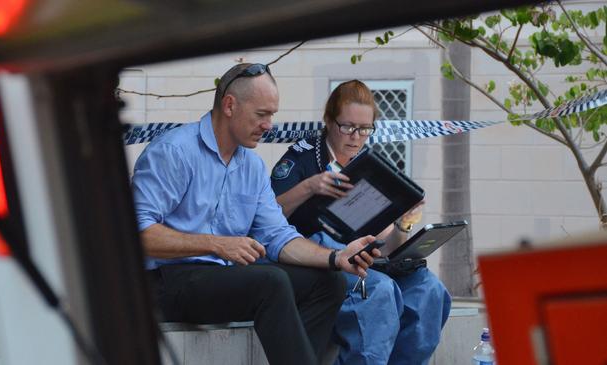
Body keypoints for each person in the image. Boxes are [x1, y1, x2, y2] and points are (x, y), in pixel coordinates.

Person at [131, 64, 380, 365]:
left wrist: (336, 259)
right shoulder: (173, 151)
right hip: (164, 282)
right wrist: (216, 244)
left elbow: (279, 236)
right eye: (262, 114)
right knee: (270, 281)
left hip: (219, 279)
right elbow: (138, 235)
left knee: (329, 283)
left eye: (272, 115)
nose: (269, 125)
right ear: (230, 106)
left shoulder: (252, 165)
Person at [271, 80, 452, 365]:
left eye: (365, 129)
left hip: (365, 260)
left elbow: (388, 244)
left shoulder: (369, 165)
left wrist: (404, 224)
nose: (356, 137)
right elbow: (266, 217)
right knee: (378, 290)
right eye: (348, 127)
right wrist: (310, 187)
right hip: (315, 262)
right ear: (329, 121)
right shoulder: (302, 158)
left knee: (428, 288)